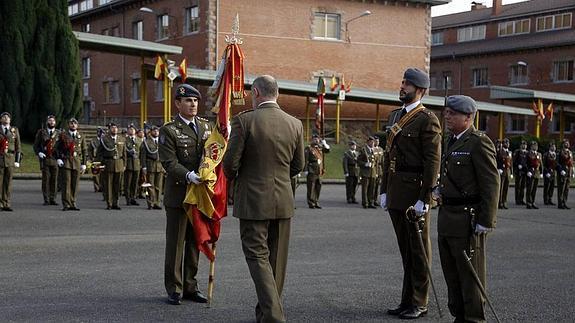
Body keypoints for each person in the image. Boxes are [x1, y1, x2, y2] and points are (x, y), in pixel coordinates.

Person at [224, 75, 304, 323]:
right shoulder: (295, 124)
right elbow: (298, 165)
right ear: (276, 93)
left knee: (257, 255)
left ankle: (273, 315)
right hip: (283, 199)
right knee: (276, 259)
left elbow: (230, 165)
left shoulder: (244, 120)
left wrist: (239, 177)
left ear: (256, 92)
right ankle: (267, 311)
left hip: (252, 200)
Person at [379, 68, 441, 319]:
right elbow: (388, 157)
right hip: (396, 191)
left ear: (421, 90)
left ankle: (419, 302)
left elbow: (432, 163)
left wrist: (424, 198)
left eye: (408, 84)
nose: (402, 86)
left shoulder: (427, 119)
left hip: (414, 193)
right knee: (406, 250)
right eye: (403, 82)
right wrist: (383, 189)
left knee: (418, 251)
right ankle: (407, 301)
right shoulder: (395, 115)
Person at [437, 95, 499, 323]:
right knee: (451, 273)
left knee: (470, 275)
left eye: (453, 113)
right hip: (447, 219)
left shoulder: (478, 142)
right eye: (446, 113)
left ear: (469, 117)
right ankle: (459, 316)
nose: (447, 117)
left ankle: (473, 318)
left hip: (467, 220)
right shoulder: (450, 140)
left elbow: (491, 183)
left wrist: (486, 220)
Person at [159, 84, 211, 305]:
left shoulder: (207, 127)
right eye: (188, 101)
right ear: (178, 104)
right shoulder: (169, 130)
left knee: (194, 241)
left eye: (196, 101)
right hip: (179, 194)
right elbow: (169, 162)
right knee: (176, 243)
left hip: (200, 195)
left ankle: (191, 285)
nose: (193, 104)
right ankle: (174, 288)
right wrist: (190, 176)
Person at [55, 118, 86, 211]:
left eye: (75, 123)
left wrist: (84, 163)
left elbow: (84, 151)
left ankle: (73, 202)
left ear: (77, 125)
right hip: (66, 162)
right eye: (71, 123)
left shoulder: (81, 136)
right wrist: (58, 158)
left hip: (76, 162)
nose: (73, 125)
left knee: (75, 184)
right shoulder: (63, 135)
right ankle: (66, 204)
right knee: (66, 184)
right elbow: (56, 148)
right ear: (68, 125)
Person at [97, 123, 126, 210]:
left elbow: (124, 153)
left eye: (116, 128)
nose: (114, 129)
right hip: (108, 163)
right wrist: (100, 164)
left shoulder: (122, 138)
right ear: (109, 129)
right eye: (113, 128)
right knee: (108, 185)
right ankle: (109, 203)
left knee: (117, 185)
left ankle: (115, 203)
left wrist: (124, 164)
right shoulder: (104, 139)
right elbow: (99, 152)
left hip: (119, 163)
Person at [33, 115, 60, 205]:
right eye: (50, 120)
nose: (51, 122)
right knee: (46, 180)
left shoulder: (59, 133)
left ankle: (53, 198)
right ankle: (46, 199)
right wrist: (39, 153)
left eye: (53, 121)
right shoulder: (42, 132)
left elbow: (61, 147)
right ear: (47, 122)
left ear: (55, 122)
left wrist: (61, 157)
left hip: (55, 159)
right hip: (45, 159)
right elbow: (36, 145)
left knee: (54, 180)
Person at [0, 112, 22, 211]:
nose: (6, 118)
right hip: (0, 158)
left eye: (8, 117)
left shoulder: (14, 130)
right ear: (1, 120)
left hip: (10, 158)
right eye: (4, 117)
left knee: (8, 182)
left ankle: (7, 203)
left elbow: (18, 146)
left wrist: (17, 160)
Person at [141, 125, 163, 210]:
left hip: (160, 166)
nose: (156, 132)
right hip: (150, 165)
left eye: (157, 131)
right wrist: (144, 167)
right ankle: (151, 203)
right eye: (154, 131)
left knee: (158, 186)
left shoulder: (161, 141)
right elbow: (143, 155)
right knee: (150, 185)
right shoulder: (146, 142)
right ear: (151, 132)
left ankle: (157, 202)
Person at [304, 134, 330, 209]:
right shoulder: (308, 148)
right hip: (311, 170)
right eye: (314, 139)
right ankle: (311, 202)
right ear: (312, 139)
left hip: (319, 170)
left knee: (318, 187)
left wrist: (325, 143)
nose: (316, 140)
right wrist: (305, 170)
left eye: (317, 139)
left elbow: (328, 150)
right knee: (311, 187)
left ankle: (316, 201)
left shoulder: (320, 147)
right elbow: (305, 160)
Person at [124, 124, 141, 206]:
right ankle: (128, 199)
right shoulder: (125, 140)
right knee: (128, 182)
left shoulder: (139, 140)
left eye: (133, 129)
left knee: (135, 182)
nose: (131, 130)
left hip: (137, 164)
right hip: (129, 163)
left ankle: (133, 197)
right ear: (127, 131)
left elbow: (141, 152)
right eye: (130, 129)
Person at [358, 136, 377, 208]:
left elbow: (377, 162)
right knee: (365, 189)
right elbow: (358, 161)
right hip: (365, 173)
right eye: (371, 142)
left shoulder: (375, 150)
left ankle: (371, 202)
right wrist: (365, 164)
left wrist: (377, 172)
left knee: (372, 189)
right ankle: (365, 203)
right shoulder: (363, 150)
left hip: (373, 172)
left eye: (373, 142)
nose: (372, 143)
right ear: (368, 142)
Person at [496, 138, 512, 209]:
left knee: (506, 188)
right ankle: (500, 202)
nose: (507, 144)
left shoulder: (509, 152)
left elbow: (511, 163)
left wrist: (511, 172)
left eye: (508, 143)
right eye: (506, 143)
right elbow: (497, 160)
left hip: (507, 171)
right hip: (502, 171)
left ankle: (504, 202)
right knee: (501, 188)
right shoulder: (500, 151)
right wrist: (498, 168)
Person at [525, 141, 542, 209]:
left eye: (536, 146)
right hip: (530, 172)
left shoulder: (539, 154)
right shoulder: (528, 154)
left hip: (537, 173)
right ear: (531, 147)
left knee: (534, 189)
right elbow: (525, 163)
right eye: (533, 146)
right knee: (530, 188)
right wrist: (527, 171)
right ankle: (528, 202)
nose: (535, 147)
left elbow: (541, 164)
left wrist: (541, 172)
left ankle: (533, 202)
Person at [557, 139, 572, 209]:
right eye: (566, 143)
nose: (567, 144)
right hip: (563, 172)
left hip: (569, 171)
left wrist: (572, 170)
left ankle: (564, 202)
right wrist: (560, 170)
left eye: (568, 143)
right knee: (561, 188)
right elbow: (557, 163)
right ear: (563, 144)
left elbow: (571, 162)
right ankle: (560, 203)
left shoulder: (570, 152)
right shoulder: (560, 152)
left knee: (567, 188)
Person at [88, 128, 104, 193]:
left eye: (101, 132)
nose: (100, 134)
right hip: (96, 158)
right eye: (99, 132)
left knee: (102, 173)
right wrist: (91, 158)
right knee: (96, 174)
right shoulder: (93, 140)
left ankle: (102, 187)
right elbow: (90, 150)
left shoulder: (104, 140)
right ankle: (97, 187)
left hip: (103, 158)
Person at [513, 140, 528, 205]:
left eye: (525, 145)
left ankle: (521, 199)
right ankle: (517, 200)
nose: (523, 146)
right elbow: (514, 161)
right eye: (522, 144)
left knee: (523, 186)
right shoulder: (517, 152)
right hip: (519, 171)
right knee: (518, 186)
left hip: (524, 171)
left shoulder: (527, 153)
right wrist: (517, 165)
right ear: (520, 146)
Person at [372, 136, 385, 206]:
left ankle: (375, 199)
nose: (377, 142)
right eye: (375, 141)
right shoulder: (372, 149)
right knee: (373, 186)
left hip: (379, 169)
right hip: (374, 169)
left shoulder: (381, 149)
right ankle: (371, 199)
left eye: (378, 141)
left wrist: (383, 171)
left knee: (377, 186)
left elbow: (382, 161)